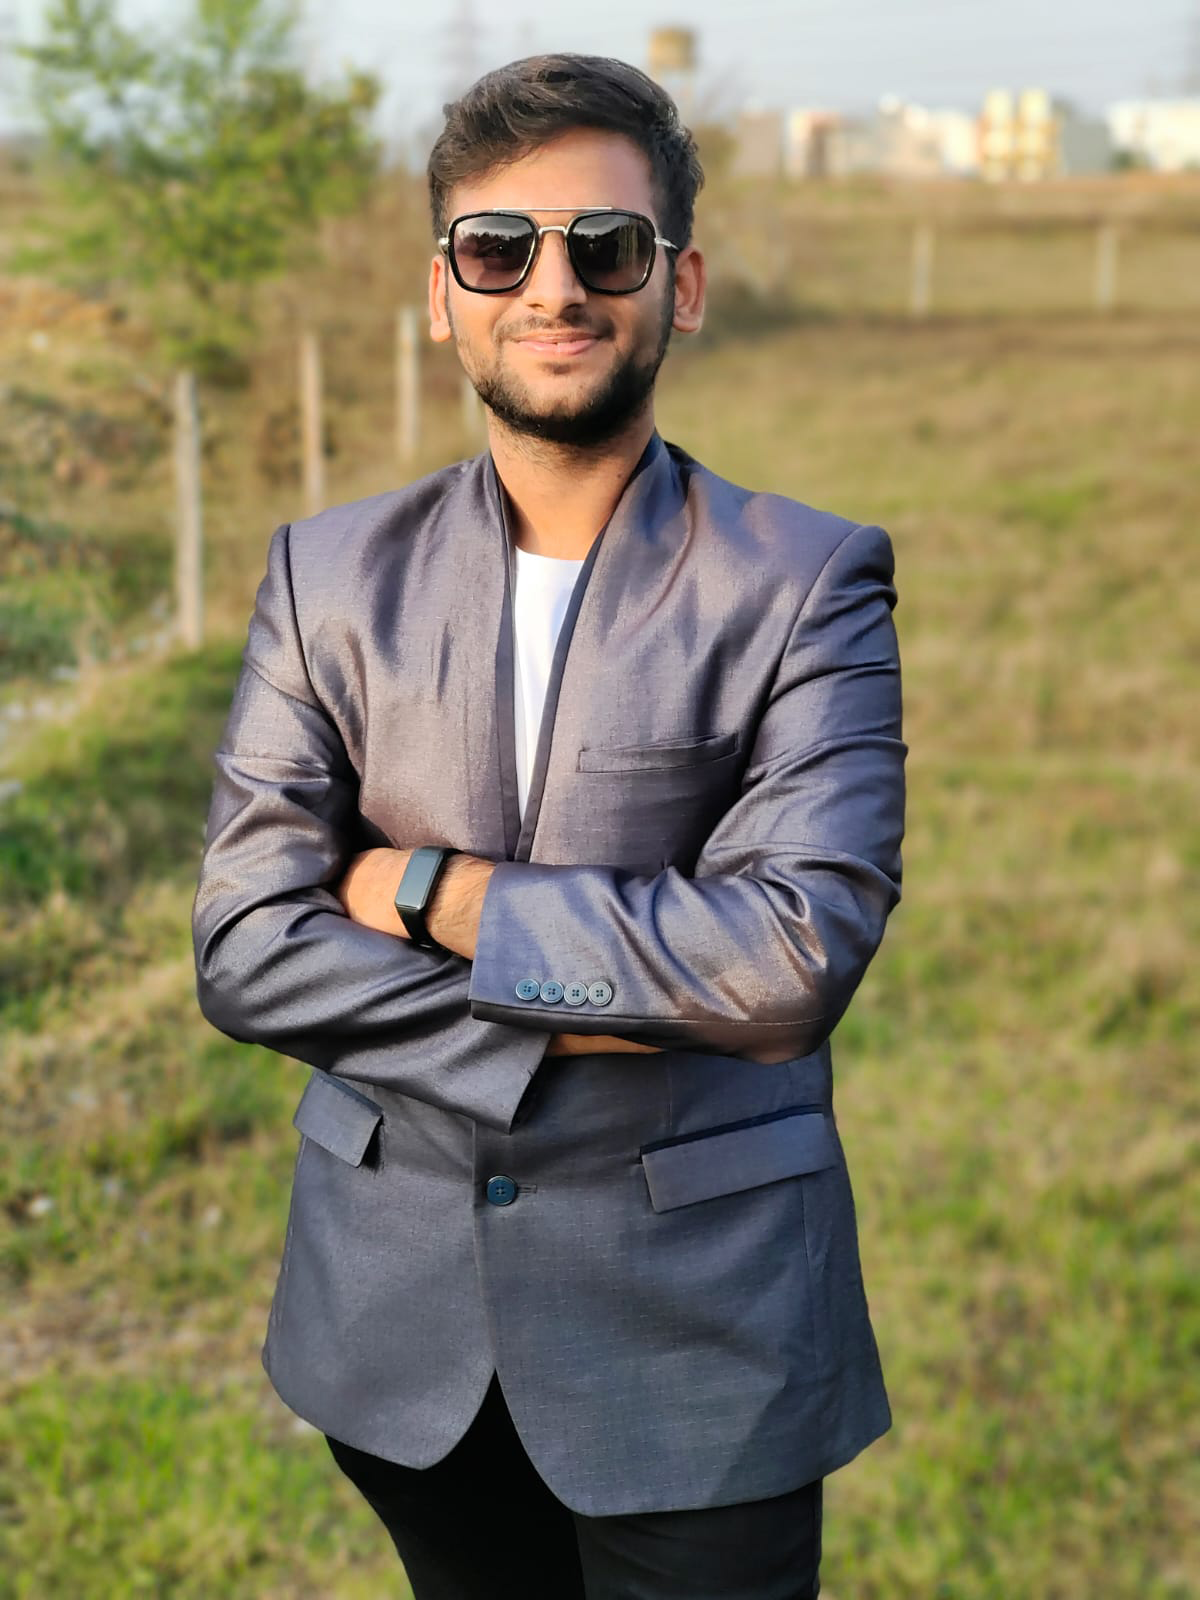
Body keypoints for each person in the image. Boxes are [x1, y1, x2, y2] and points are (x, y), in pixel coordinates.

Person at [191, 51, 906, 1600]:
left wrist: (432, 894)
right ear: (441, 295)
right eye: (499, 248)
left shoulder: (807, 582)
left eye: (607, 246)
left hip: (703, 1344)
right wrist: (600, 1007)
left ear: (679, 285)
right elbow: (245, 944)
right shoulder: (327, 575)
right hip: (397, 1332)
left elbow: (790, 961)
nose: (554, 286)